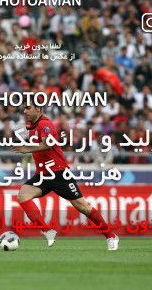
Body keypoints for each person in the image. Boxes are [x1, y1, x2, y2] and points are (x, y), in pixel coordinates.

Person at [11, 103, 119, 251]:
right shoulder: (32, 126)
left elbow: (48, 144)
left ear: (38, 109)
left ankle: (111, 236)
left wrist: (26, 149)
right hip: (43, 174)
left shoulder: (45, 124)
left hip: (59, 173)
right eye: (24, 108)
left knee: (83, 207)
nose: (25, 111)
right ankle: (47, 230)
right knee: (22, 196)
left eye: (28, 108)